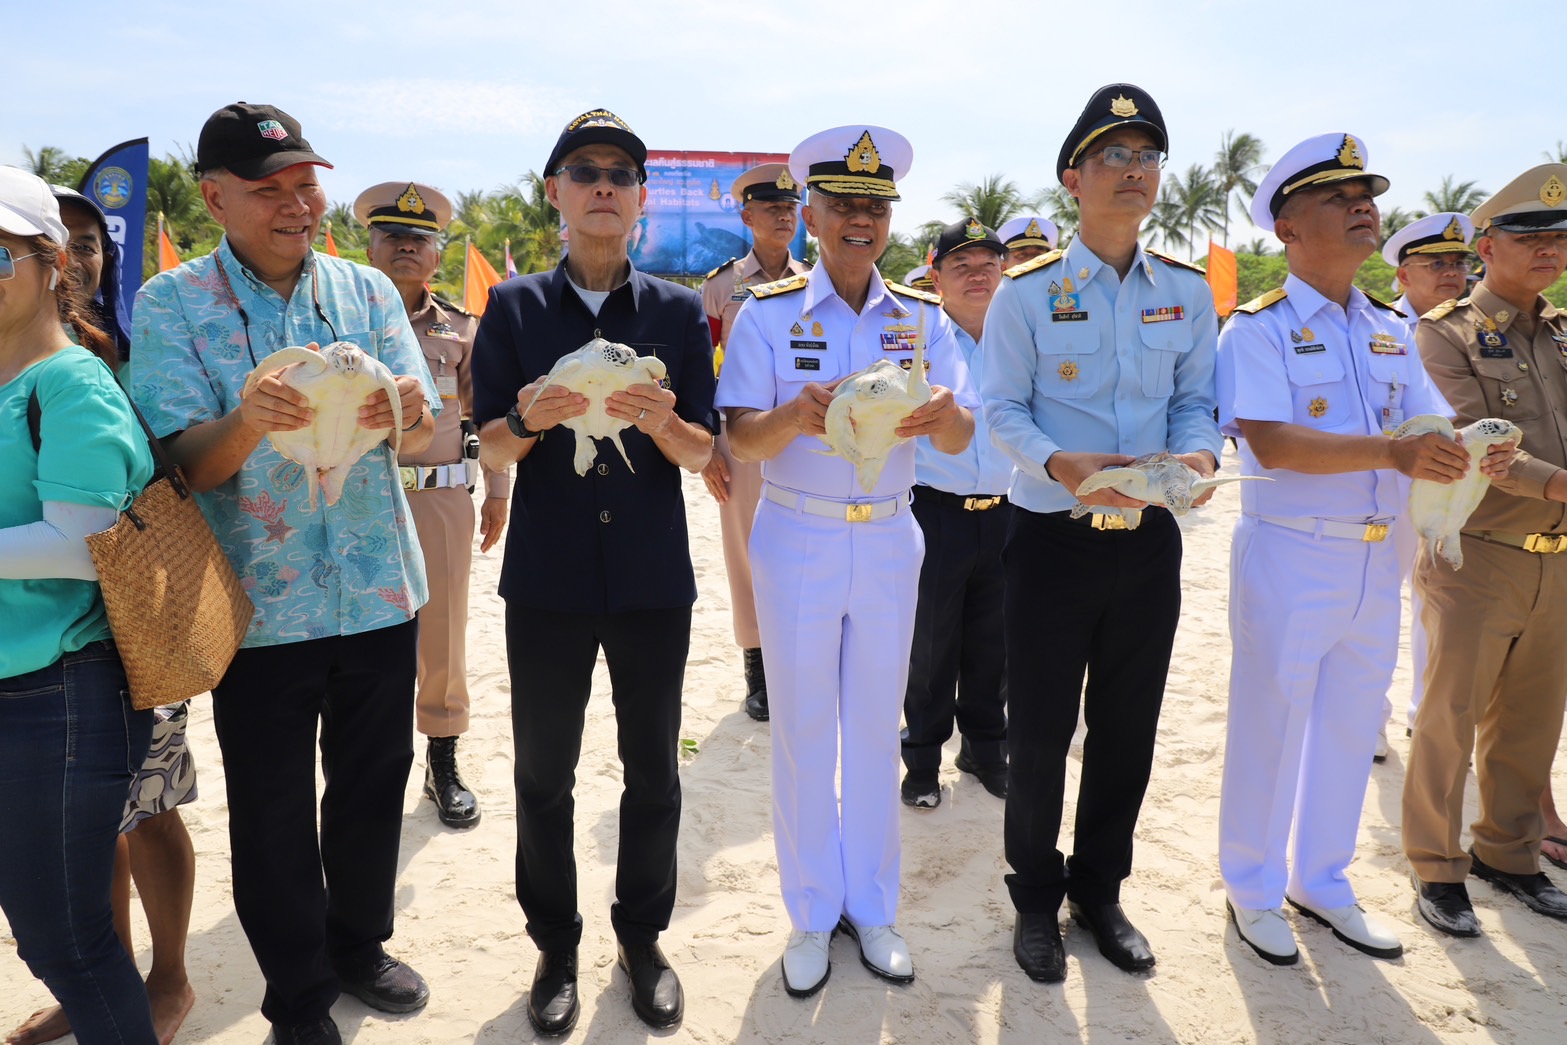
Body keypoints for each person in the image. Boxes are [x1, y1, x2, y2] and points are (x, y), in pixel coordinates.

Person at [129, 103, 437, 1045]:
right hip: (258, 609)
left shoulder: (365, 291)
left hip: (382, 587)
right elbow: (184, 461)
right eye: (270, 190)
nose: (297, 204)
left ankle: (358, 944)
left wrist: (411, 413)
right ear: (215, 196)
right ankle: (299, 1000)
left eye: (307, 183)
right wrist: (250, 420)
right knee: (271, 814)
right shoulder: (171, 303)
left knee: (373, 784)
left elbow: (420, 435)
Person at [1214, 133, 1505, 967]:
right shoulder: (1257, 328)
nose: (1362, 207)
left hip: (1379, 554)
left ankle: (1322, 877)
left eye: (1367, 195)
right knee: (1269, 723)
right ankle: (1254, 887)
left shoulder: (1384, 326)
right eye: (1338, 197)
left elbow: (1426, 426)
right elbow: (1268, 441)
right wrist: (1391, 453)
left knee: (1348, 724)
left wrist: (1467, 446)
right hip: (1291, 551)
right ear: (1287, 227)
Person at [717, 124, 977, 997]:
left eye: (875, 206)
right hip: (798, 531)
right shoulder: (767, 313)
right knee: (800, 728)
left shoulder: (923, 317)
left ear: (889, 220)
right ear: (811, 217)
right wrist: (794, 415)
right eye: (842, 206)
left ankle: (872, 907)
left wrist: (941, 416)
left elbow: (964, 427)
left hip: (891, 532)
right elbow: (741, 439)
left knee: (875, 723)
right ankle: (809, 910)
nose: (859, 220)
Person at [473, 108, 714, 1036]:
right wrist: (533, 419)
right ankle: (555, 944)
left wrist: (661, 423)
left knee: (652, 770)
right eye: (584, 170)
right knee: (545, 774)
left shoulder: (678, 312)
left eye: (620, 171)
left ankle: (642, 937)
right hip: (548, 581)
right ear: (556, 193)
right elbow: (489, 439)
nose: (603, 183)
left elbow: (702, 454)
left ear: (641, 198)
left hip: (652, 579)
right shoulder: (515, 308)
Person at [983, 85, 1221, 984]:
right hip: (1053, 537)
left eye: (1147, 156)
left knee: (1128, 725)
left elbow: (1198, 398)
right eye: (1113, 156)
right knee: (1039, 729)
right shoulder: (1029, 292)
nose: (1133, 171)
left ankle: (1101, 890)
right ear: (1072, 178)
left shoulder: (1186, 292)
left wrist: (1197, 454)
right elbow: (999, 406)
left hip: (1148, 539)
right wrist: (1060, 465)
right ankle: (1036, 901)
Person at [7, 189, 200, 1045]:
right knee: (49, 927)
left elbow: (77, 539)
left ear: (52, 266)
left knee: (69, 936)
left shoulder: (72, 382)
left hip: (59, 693)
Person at [1403, 163, 1567, 936]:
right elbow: (1475, 446)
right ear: (1486, 245)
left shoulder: (1561, 331)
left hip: (1555, 557)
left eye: (1560, 236)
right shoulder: (1444, 334)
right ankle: (1437, 869)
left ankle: (1508, 852)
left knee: (1533, 720)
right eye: (1531, 236)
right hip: (1477, 550)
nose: (1550, 249)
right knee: (1449, 718)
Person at [356, 179, 510, 828]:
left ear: (437, 254)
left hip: (440, 497)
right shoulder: (341, 323)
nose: (405, 248)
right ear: (370, 246)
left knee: (442, 635)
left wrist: (499, 493)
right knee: (363, 640)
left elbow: (491, 417)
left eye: (419, 239)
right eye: (392, 236)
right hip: (357, 499)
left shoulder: (463, 330)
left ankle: (441, 758)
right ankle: (370, 766)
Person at [900, 216, 1012, 809]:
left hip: (1007, 509)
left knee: (995, 642)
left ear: (1005, 270)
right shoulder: (915, 334)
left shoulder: (1024, 336)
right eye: (960, 266)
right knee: (931, 643)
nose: (977, 276)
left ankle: (986, 750)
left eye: (987, 264)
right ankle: (920, 760)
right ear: (934, 275)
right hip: (934, 508)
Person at [699, 163, 808, 721]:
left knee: (806, 541)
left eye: (791, 208)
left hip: (802, 434)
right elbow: (700, 373)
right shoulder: (721, 287)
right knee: (746, 548)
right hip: (739, 438)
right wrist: (709, 450)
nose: (784, 216)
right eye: (771, 208)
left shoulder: (816, 280)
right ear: (747, 217)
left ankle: (797, 656)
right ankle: (757, 664)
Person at [1375, 212, 1476, 759]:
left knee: (1437, 604)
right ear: (1402, 275)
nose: (1451, 273)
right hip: (1388, 483)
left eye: (1459, 262)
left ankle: (1424, 712)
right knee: (1379, 601)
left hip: (1455, 485)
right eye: (1434, 263)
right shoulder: (1378, 326)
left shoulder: (1478, 329)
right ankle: (1372, 720)